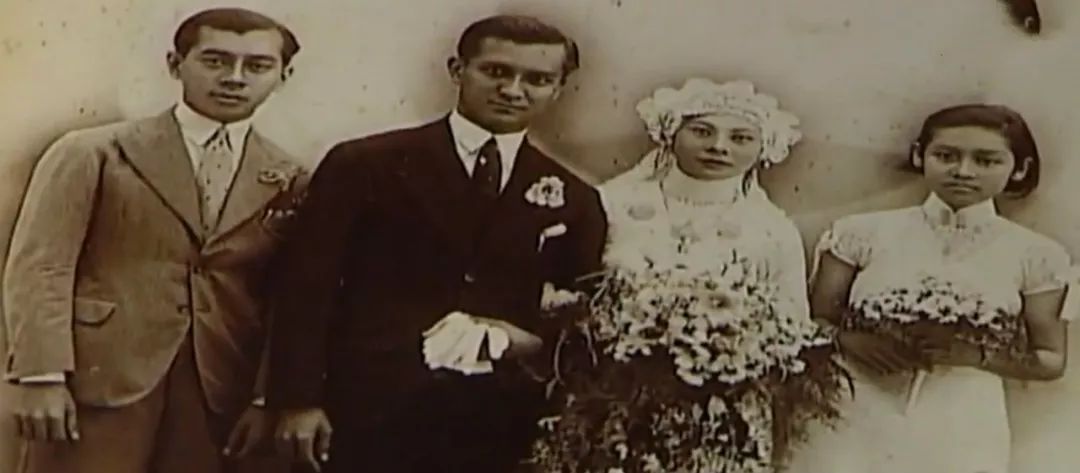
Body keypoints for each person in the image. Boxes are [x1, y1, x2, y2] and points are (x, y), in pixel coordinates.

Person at [266, 14, 607, 473]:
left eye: (537, 79)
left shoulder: (575, 198)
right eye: (496, 71)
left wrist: (527, 345)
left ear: (559, 89)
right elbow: (307, 286)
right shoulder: (365, 164)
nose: (513, 90)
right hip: (366, 409)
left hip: (497, 423)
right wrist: (297, 400)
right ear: (457, 70)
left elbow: (578, 317)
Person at [2, 8, 307, 473]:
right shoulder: (94, 152)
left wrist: (266, 396)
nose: (234, 78)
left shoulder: (290, 176)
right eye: (215, 61)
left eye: (257, 66)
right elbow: (42, 265)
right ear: (175, 64)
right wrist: (41, 375)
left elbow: (287, 296)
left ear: (284, 76)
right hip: (98, 380)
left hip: (218, 387)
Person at [529, 78, 818, 473]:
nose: (719, 147)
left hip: (715, 411)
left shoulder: (772, 232)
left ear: (764, 148)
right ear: (670, 133)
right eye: (702, 131)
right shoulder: (609, 205)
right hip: (605, 393)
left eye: (740, 138)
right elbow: (562, 294)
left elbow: (793, 328)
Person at [786, 104, 1072, 473]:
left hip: (959, 417)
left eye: (986, 160)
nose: (963, 171)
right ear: (920, 155)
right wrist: (849, 341)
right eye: (946, 156)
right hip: (854, 403)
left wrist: (976, 356)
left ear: (1019, 168)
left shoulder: (1037, 255)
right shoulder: (861, 232)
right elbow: (812, 320)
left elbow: (1050, 359)